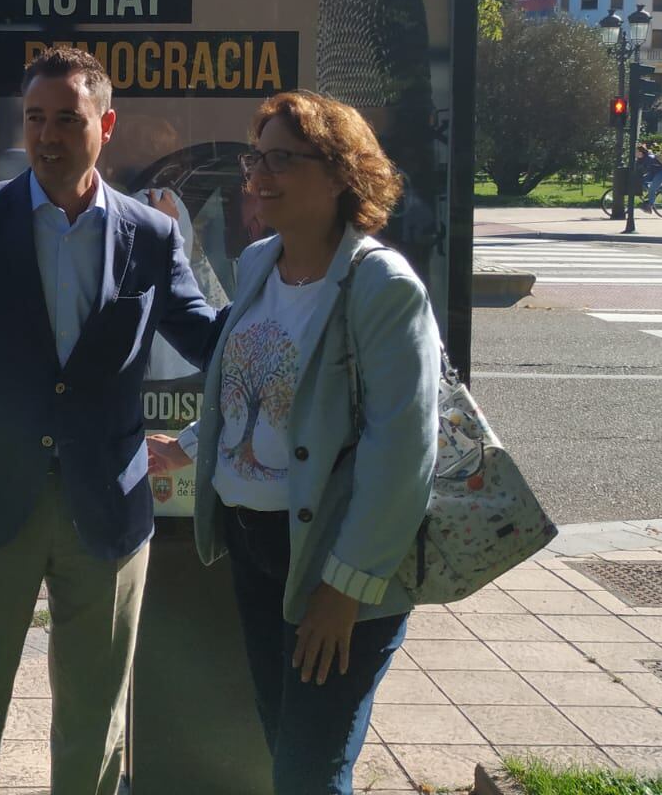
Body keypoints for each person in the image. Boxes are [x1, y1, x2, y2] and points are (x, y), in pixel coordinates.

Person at [0, 46, 224, 795]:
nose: (47, 135)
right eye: (35, 118)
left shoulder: (153, 234)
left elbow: (210, 339)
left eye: (67, 119)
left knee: (94, 715)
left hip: (105, 504)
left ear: (105, 125)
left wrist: (291, 314)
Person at [146, 90, 441, 795]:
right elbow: (250, 389)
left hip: (331, 558)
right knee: (286, 742)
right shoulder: (259, 266)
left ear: (342, 174)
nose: (259, 176)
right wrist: (190, 444)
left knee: (311, 769)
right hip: (254, 548)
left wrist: (345, 589)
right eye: (257, 159)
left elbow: (402, 449)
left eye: (284, 159)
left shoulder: (380, 286)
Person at [636, 144, 662, 213]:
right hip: (653, 174)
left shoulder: (649, 158)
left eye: (636, 151)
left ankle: (649, 205)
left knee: (652, 189)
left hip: (661, 174)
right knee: (640, 181)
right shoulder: (641, 159)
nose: (635, 153)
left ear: (640, 152)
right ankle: (651, 195)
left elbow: (642, 168)